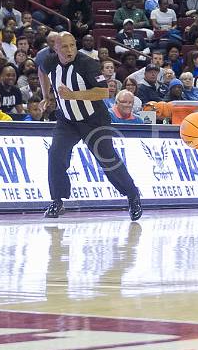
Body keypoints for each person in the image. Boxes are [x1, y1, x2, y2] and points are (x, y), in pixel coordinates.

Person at [37, 33, 141, 220]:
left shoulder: (88, 64)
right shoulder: (49, 61)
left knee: (108, 160)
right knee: (55, 154)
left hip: (94, 120)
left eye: (72, 45)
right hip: (67, 120)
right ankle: (57, 201)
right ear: (55, 49)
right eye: (65, 47)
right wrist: (46, 95)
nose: (69, 50)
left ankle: (132, 194)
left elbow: (103, 92)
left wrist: (73, 95)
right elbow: (41, 70)